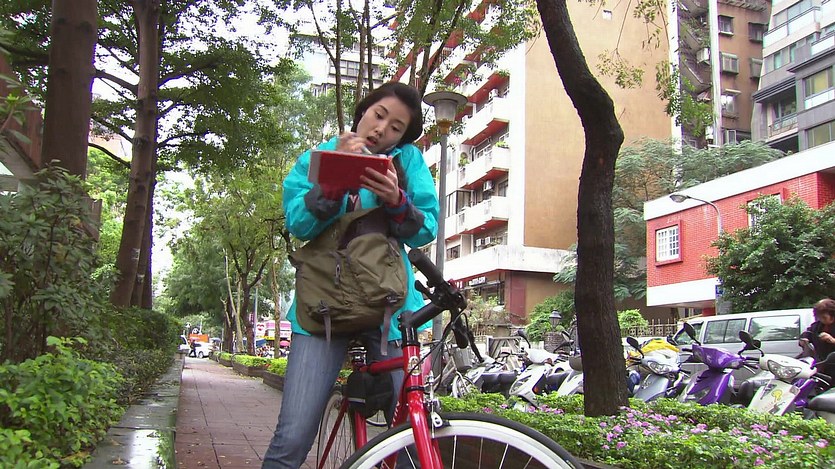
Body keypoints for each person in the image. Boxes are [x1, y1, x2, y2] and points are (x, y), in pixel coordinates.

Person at [261, 82, 439, 469]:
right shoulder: (319, 156)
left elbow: (426, 228)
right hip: (321, 308)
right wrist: (333, 183)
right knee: (291, 439)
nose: (382, 129)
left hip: (390, 310)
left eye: (396, 127)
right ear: (363, 111)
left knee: (414, 433)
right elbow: (298, 224)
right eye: (379, 115)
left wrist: (396, 200)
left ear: (402, 137)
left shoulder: (408, 161)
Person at [799, 298, 835, 382]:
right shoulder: (817, 326)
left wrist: (833, 340)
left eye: (824, 317)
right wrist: (804, 339)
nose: (821, 320)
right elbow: (808, 333)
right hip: (822, 366)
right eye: (819, 317)